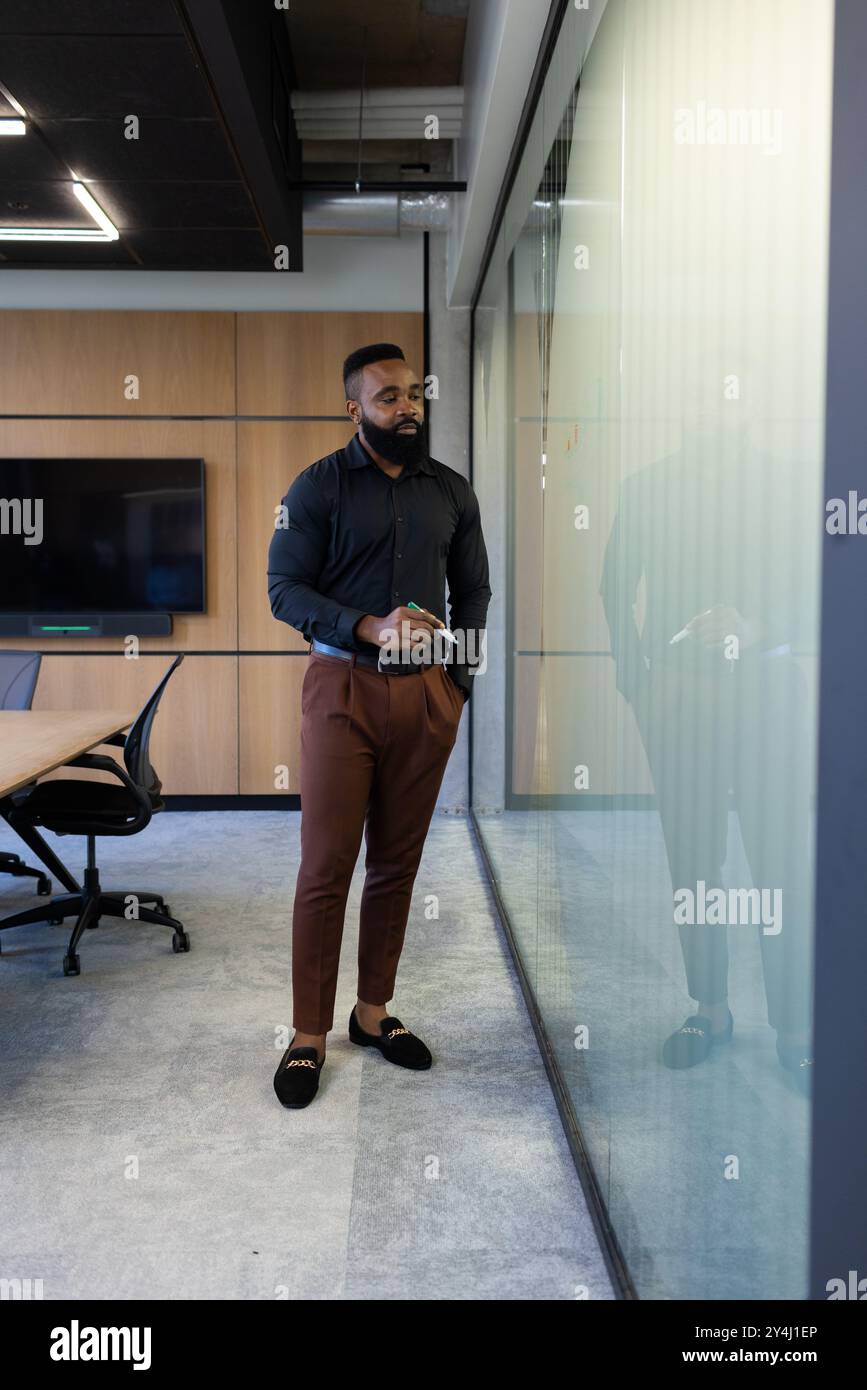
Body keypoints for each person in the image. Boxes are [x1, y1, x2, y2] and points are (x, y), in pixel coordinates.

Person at [267, 342, 492, 1107]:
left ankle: (372, 1014)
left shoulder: (451, 491)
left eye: (412, 397)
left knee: (395, 866)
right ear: (354, 407)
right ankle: (307, 1034)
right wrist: (366, 625)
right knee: (325, 868)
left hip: (424, 699)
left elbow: (475, 592)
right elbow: (283, 590)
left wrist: (456, 683)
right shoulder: (318, 488)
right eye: (388, 398)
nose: (406, 409)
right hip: (343, 690)